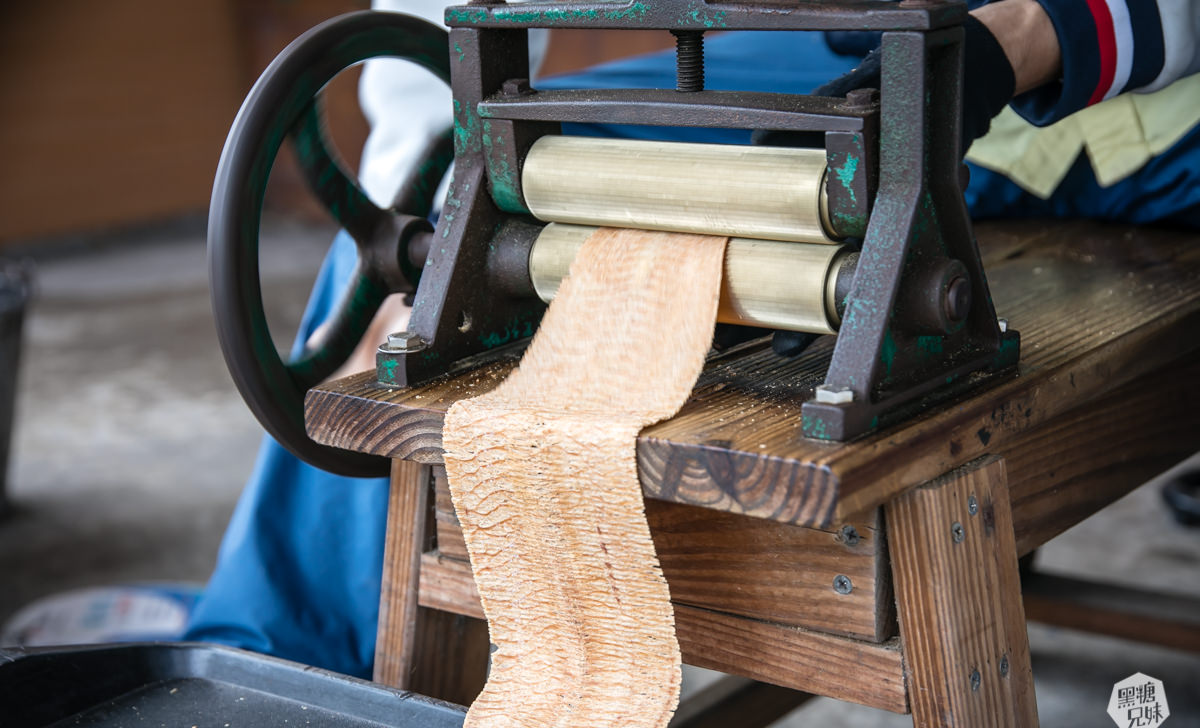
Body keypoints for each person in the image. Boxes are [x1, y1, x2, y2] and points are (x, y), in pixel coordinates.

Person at [185, 0, 1200, 678]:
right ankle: (273, 669)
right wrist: (425, 234)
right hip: (877, 55)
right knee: (480, 178)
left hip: (1154, 94)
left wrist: (1013, 39)